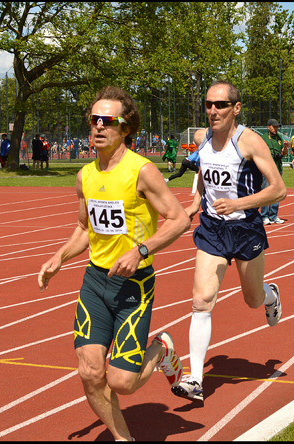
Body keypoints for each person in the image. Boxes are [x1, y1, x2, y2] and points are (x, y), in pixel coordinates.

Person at [37, 86, 190, 441]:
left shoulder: (142, 171)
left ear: (126, 127)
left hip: (133, 286)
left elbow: (179, 218)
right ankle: (124, 438)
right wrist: (57, 258)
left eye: (108, 121)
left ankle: (161, 348)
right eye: (94, 120)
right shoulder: (85, 176)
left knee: (122, 382)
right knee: (90, 372)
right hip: (95, 283)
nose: (98, 127)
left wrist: (141, 251)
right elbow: (83, 228)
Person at [173, 80, 286, 402]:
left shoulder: (250, 141)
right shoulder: (202, 137)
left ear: (236, 108)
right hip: (212, 229)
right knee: (201, 300)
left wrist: (238, 204)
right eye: (209, 104)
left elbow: (278, 189)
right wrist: (196, 201)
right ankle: (195, 378)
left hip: (245, 228)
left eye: (220, 105)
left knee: (251, 299)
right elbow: (203, 171)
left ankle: (269, 295)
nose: (213, 110)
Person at [260, 118, 287, 225]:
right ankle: (264, 215)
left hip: (278, 168)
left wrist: (285, 148)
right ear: (269, 127)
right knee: (266, 192)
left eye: (277, 127)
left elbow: (284, 153)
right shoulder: (263, 138)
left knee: (276, 192)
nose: (276, 129)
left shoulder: (279, 137)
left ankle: (274, 215)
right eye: (274, 126)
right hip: (267, 168)